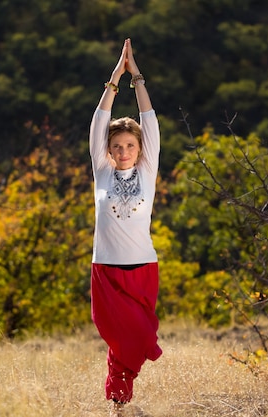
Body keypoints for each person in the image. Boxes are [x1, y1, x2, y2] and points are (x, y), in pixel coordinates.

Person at [89, 38, 162, 416]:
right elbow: (99, 121)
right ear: (108, 150)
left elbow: (149, 122)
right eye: (116, 146)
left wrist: (137, 79)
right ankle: (119, 403)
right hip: (105, 271)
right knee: (120, 338)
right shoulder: (101, 172)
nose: (122, 152)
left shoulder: (147, 172)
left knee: (139, 337)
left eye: (129, 145)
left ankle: (119, 404)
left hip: (142, 269)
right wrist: (114, 78)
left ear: (139, 148)